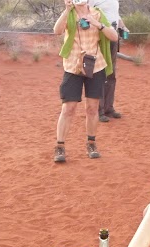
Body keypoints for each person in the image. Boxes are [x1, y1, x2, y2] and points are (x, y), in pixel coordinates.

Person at [53, 0, 117, 163]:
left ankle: (91, 143)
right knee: (68, 107)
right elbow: (57, 31)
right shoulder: (70, 13)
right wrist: (66, 11)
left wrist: (98, 24)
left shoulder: (97, 13)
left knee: (92, 107)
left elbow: (114, 36)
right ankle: (60, 146)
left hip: (95, 66)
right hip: (73, 67)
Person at [90, 0, 128, 123]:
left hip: (113, 35)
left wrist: (122, 26)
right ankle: (98, 110)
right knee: (100, 73)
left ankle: (109, 108)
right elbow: (87, 14)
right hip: (101, 37)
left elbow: (115, 14)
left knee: (111, 74)